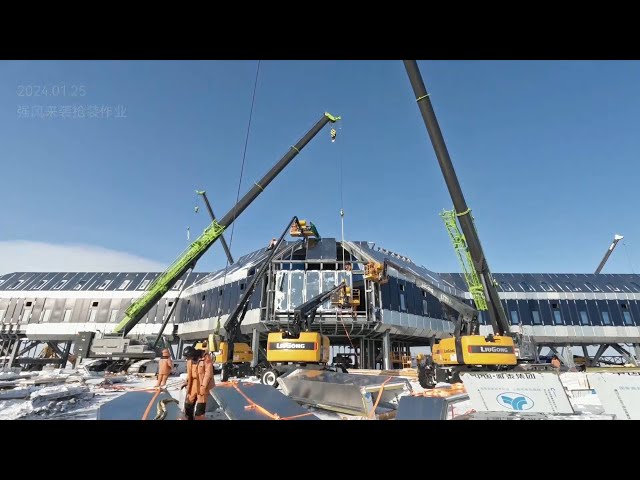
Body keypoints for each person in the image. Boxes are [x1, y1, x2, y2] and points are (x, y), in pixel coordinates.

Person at [182, 346, 215, 420]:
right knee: (188, 404)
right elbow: (190, 373)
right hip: (193, 383)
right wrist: (186, 381)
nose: (188, 359)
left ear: (192, 355)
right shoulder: (189, 360)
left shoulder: (205, 357)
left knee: (200, 407)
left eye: (188, 357)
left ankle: (199, 418)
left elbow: (208, 373)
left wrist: (203, 386)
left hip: (202, 383)